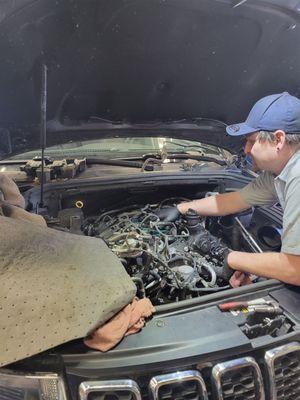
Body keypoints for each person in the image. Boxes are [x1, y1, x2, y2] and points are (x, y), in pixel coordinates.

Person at [158, 92, 300, 287]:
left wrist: (231, 258)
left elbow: (295, 269)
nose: (246, 149)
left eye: (251, 141)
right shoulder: (278, 172)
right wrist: (182, 208)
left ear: (279, 140)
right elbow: (234, 200)